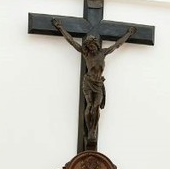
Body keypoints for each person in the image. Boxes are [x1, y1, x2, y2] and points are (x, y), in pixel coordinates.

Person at [51, 18, 136, 149]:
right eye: (89, 46)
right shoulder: (86, 54)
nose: (91, 47)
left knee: (96, 106)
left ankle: (93, 129)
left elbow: (117, 44)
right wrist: (60, 27)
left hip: (98, 84)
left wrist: (129, 34)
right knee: (90, 105)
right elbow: (71, 41)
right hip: (88, 82)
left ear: (96, 45)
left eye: (92, 45)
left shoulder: (103, 52)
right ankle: (89, 131)